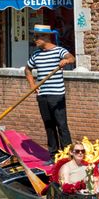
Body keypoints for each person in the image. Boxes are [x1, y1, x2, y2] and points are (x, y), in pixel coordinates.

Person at [23, 24, 75, 153]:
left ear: (46, 37)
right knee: (48, 125)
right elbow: (27, 70)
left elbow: (71, 58)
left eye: (36, 37)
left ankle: (67, 154)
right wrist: (33, 85)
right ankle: (53, 154)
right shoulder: (36, 55)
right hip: (42, 95)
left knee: (61, 125)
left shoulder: (59, 51)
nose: (34, 40)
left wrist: (66, 61)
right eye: (34, 37)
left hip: (57, 95)